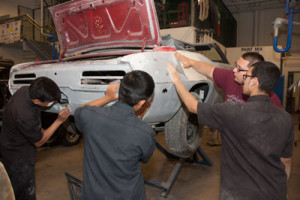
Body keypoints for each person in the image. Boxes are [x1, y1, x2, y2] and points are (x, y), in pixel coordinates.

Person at [167, 61, 294, 199]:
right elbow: (286, 161)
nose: (243, 80)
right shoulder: (286, 118)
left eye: (247, 76)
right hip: (275, 192)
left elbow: (192, 106)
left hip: (238, 193)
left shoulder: (233, 113)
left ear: (254, 82)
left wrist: (176, 79)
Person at [74, 70, 156, 200]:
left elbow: (79, 111)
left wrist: (107, 98)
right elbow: (144, 158)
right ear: (141, 102)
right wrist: (139, 119)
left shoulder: (90, 117)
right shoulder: (145, 133)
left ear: (121, 90)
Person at [175, 52, 282, 146]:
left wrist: (176, 80)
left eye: (239, 68)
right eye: (236, 65)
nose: (234, 70)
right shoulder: (232, 78)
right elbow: (209, 70)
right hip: (231, 147)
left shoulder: (273, 102)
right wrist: (191, 62)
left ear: (253, 74)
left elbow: (193, 107)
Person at [0, 77, 70, 200]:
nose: (51, 104)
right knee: (24, 191)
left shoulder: (25, 90)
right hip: (18, 157)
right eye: (50, 102)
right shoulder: (23, 115)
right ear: (37, 101)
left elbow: (35, 118)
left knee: (15, 187)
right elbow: (39, 142)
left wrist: (38, 128)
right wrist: (59, 121)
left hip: (8, 142)